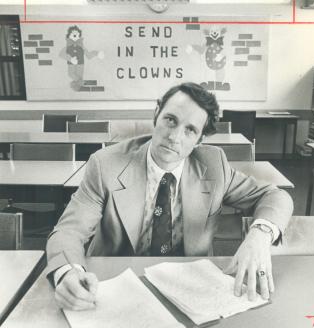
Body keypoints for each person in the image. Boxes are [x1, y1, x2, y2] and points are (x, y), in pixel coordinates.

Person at [46, 82, 293, 310]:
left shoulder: (214, 165)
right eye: (170, 120)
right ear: (156, 115)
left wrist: (260, 236)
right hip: (113, 286)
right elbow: (69, 231)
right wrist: (67, 272)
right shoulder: (105, 165)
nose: (174, 137)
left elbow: (275, 196)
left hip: (188, 289)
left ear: (200, 140)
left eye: (190, 130)